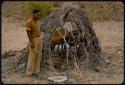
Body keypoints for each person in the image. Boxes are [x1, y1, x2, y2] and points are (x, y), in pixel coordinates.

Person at [25, 9, 42, 76]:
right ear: (33, 14)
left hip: (39, 39)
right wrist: (31, 42)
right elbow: (28, 33)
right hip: (33, 39)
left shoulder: (37, 21)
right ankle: (29, 72)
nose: (38, 16)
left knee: (38, 55)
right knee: (32, 56)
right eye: (37, 14)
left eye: (39, 15)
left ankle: (36, 71)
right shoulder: (29, 22)